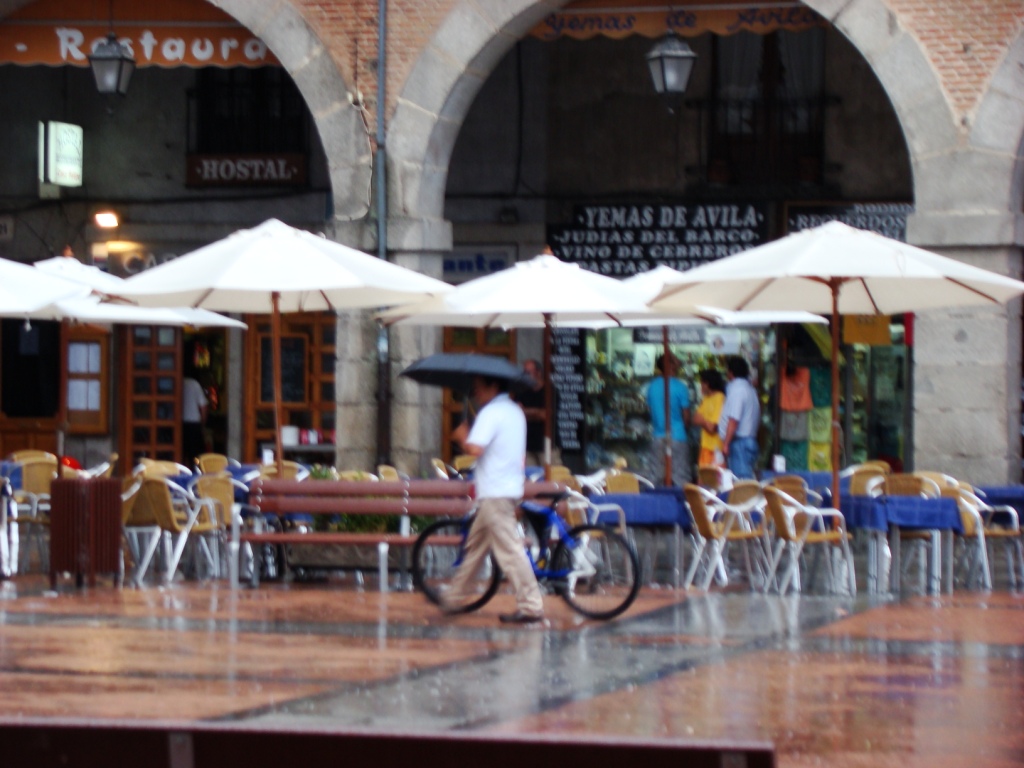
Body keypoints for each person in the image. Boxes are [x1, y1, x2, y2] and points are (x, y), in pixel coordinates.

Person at [445, 374, 544, 624]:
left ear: (493, 386)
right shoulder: (514, 411)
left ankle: (531, 605)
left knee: (510, 551)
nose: (476, 393)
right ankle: (454, 596)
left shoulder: (492, 413)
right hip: (506, 488)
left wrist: (461, 435)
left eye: (479, 387)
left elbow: (475, 448)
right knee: (476, 547)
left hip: (494, 492)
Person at [644, 353, 692, 486]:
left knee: (656, 476)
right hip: (677, 435)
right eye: (676, 361)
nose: (679, 363)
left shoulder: (651, 387)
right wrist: (685, 428)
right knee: (680, 476)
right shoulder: (680, 387)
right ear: (670, 365)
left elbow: (651, 409)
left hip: (658, 436)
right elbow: (686, 416)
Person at [719, 356, 761, 479]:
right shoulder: (750, 389)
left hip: (740, 443)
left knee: (741, 483)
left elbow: (734, 420)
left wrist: (726, 444)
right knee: (744, 480)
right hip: (748, 440)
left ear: (730, 373)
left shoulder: (738, 390)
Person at [516, 358, 548, 467]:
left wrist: (526, 412)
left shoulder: (549, 392)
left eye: (527, 372)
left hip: (546, 445)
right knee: (530, 479)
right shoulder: (522, 390)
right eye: (523, 373)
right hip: (527, 445)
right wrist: (536, 413)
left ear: (538, 372)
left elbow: (546, 415)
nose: (525, 375)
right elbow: (517, 413)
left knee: (551, 478)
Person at [692, 368, 726, 467]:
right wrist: (706, 423)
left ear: (708, 383)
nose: (700, 386)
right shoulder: (706, 398)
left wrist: (702, 421)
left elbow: (712, 428)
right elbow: (694, 419)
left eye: (702, 383)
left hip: (715, 448)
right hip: (705, 447)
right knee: (703, 479)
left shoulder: (720, 398)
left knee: (714, 480)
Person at [181, 367, 208, 466]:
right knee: (196, 455)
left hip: (180, 424)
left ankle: (182, 471)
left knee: (182, 452)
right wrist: (203, 424)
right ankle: (195, 472)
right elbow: (203, 407)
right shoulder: (195, 384)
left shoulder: (177, 383)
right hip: (194, 425)